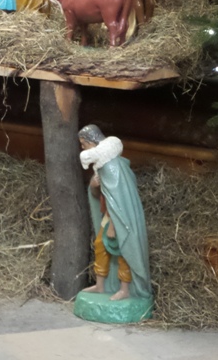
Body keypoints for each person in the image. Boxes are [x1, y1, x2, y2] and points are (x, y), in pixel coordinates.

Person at [78, 124, 152, 301]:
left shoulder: (112, 167)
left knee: (123, 251)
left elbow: (119, 202)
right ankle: (100, 285)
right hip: (108, 216)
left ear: (91, 142)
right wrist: (93, 186)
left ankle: (125, 289)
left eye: (83, 144)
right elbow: (102, 196)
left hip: (119, 220)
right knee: (100, 246)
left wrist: (113, 224)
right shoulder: (101, 167)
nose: (82, 148)